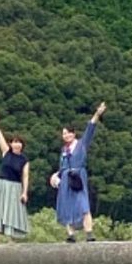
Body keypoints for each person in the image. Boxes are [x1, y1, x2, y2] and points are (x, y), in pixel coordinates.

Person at [50, 102, 107, 242]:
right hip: (65, 179)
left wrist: (97, 114)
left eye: (68, 132)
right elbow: (62, 166)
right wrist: (56, 176)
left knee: (83, 204)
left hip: (78, 177)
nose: (66, 135)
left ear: (73, 133)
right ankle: (71, 235)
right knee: (66, 205)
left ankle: (89, 233)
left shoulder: (81, 145)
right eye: (64, 133)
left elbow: (90, 128)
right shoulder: (64, 150)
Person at [0, 111, 30, 240]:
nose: (17, 144)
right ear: (11, 144)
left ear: (22, 145)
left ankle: (11, 239)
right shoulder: (6, 152)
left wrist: (24, 192)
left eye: (19, 142)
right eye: (15, 142)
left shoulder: (24, 160)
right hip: (2, 184)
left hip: (15, 187)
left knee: (12, 212)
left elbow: (25, 177)